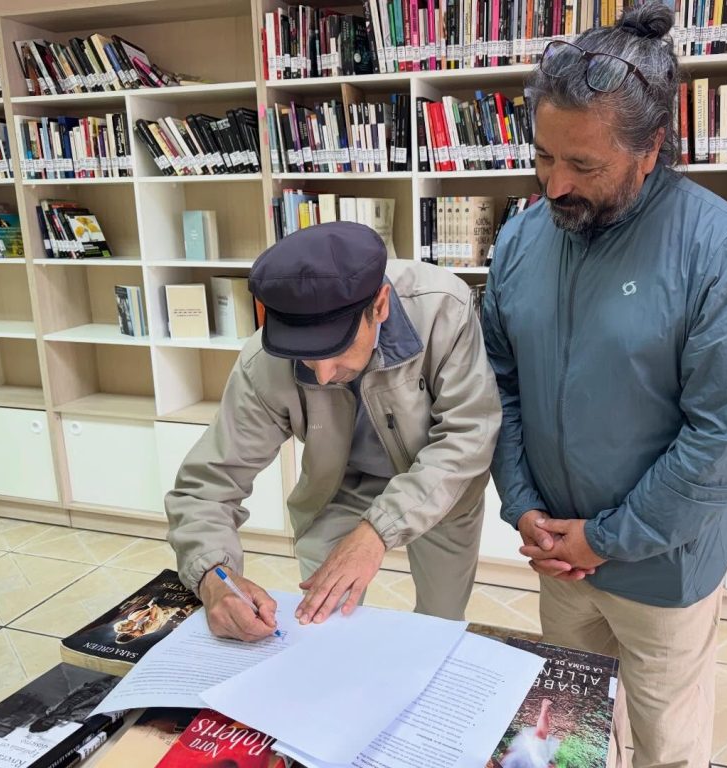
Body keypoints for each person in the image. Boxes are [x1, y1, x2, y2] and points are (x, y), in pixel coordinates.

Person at [482, 5, 727, 768]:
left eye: (584, 166)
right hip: (557, 555)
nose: (555, 184)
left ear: (650, 149)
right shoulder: (521, 239)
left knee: (665, 748)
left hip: (662, 571)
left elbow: (720, 437)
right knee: (568, 741)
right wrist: (525, 509)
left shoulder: (720, 249)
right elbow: (501, 387)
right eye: (544, 156)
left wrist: (605, 539)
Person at [166, 221, 501, 642]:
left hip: (439, 482)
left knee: (440, 623)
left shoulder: (442, 308)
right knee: (323, 623)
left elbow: (468, 434)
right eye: (306, 357)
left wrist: (376, 531)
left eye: (336, 347)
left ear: (380, 305)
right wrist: (214, 578)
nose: (322, 376)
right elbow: (206, 487)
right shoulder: (263, 362)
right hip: (340, 485)